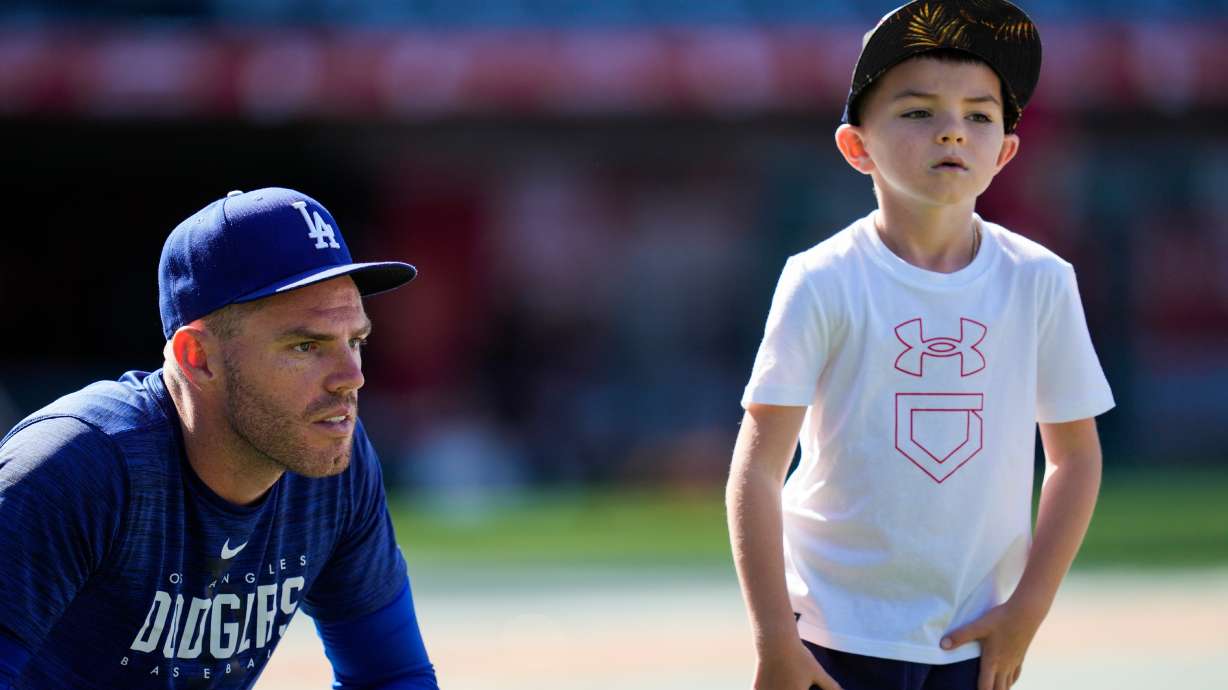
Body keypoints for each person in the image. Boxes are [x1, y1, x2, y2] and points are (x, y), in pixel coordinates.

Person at [725, 2, 1114, 690]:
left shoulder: (1042, 283)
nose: (952, 133)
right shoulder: (821, 280)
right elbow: (756, 471)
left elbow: (1075, 459)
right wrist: (775, 641)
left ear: (1007, 150)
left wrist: (1027, 609)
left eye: (978, 115)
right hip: (828, 637)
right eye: (917, 111)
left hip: (970, 640)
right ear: (857, 147)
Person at [0, 188, 439, 689]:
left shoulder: (329, 457)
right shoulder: (76, 467)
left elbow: (391, 676)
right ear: (196, 357)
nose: (351, 377)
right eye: (306, 345)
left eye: (355, 341)